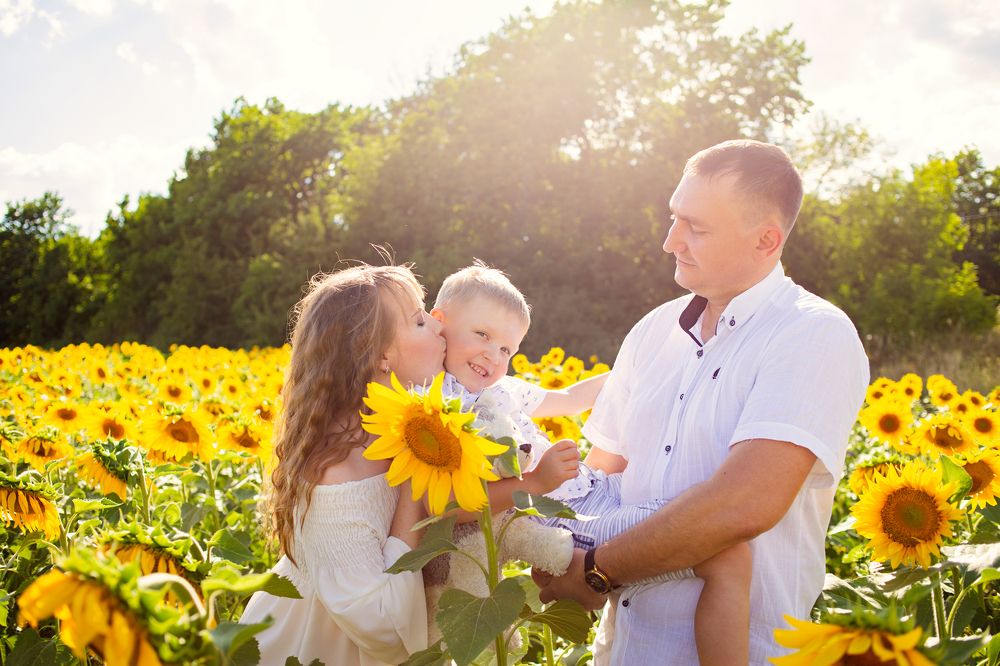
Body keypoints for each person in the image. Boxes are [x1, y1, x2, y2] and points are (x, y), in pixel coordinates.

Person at [533, 139, 871, 664]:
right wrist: (553, 536)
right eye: (674, 218)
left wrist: (597, 569)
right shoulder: (651, 332)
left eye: (698, 227)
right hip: (623, 651)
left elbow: (743, 503)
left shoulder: (812, 334)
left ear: (766, 241)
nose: (671, 241)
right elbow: (605, 478)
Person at [430, 262, 753, 665]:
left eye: (506, 350)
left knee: (700, 502)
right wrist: (535, 481)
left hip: (599, 488)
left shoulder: (501, 387)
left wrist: (645, 368)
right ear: (437, 322)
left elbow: (567, 400)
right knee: (723, 548)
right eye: (483, 335)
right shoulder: (429, 409)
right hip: (564, 520)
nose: (493, 356)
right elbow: (451, 505)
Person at [240, 263, 447, 666]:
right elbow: (384, 632)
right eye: (419, 321)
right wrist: (414, 479)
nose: (439, 324)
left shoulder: (399, 421)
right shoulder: (338, 474)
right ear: (379, 357)